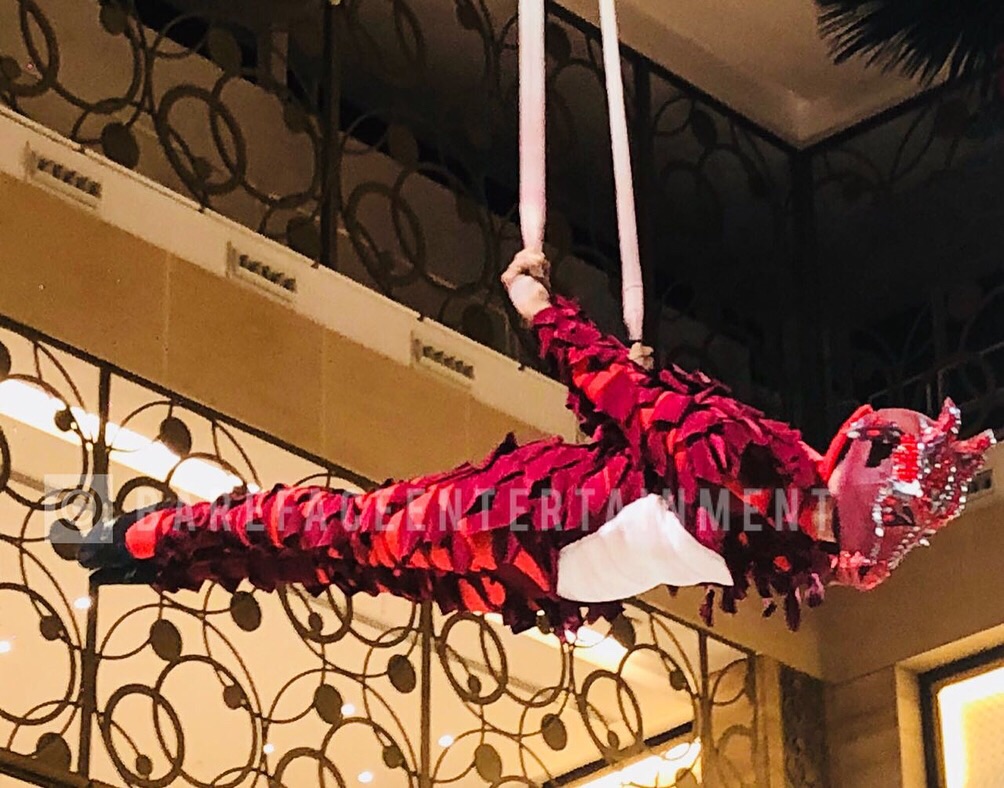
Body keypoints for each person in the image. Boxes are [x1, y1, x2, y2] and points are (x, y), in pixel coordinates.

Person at [79, 252, 995, 635]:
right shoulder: (782, 528)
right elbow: (650, 434)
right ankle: (154, 548)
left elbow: (623, 398)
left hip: (532, 525)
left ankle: (155, 540)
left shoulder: (766, 487)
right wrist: (637, 401)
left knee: (342, 535)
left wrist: (539, 307)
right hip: (547, 560)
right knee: (346, 546)